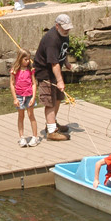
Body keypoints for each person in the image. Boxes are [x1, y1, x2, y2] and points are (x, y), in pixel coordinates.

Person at [33, 13, 73, 141]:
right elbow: (53, 62)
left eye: (68, 28)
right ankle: (51, 132)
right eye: (64, 28)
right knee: (49, 101)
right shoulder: (51, 39)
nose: (67, 31)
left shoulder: (64, 35)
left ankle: (52, 123)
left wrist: (66, 62)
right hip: (45, 72)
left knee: (58, 98)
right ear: (57, 26)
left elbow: (63, 49)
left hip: (55, 71)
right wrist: (60, 80)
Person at [10, 48, 40, 147]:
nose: (28, 61)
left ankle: (35, 136)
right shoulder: (15, 70)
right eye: (26, 59)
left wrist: (33, 97)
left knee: (31, 115)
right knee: (21, 115)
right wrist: (15, 98)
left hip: (29, 95)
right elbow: (12, 84)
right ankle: (21, 137)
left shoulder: (30, 70)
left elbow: (34, 83)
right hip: (19, 95)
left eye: (29, 59)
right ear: (20, 59)